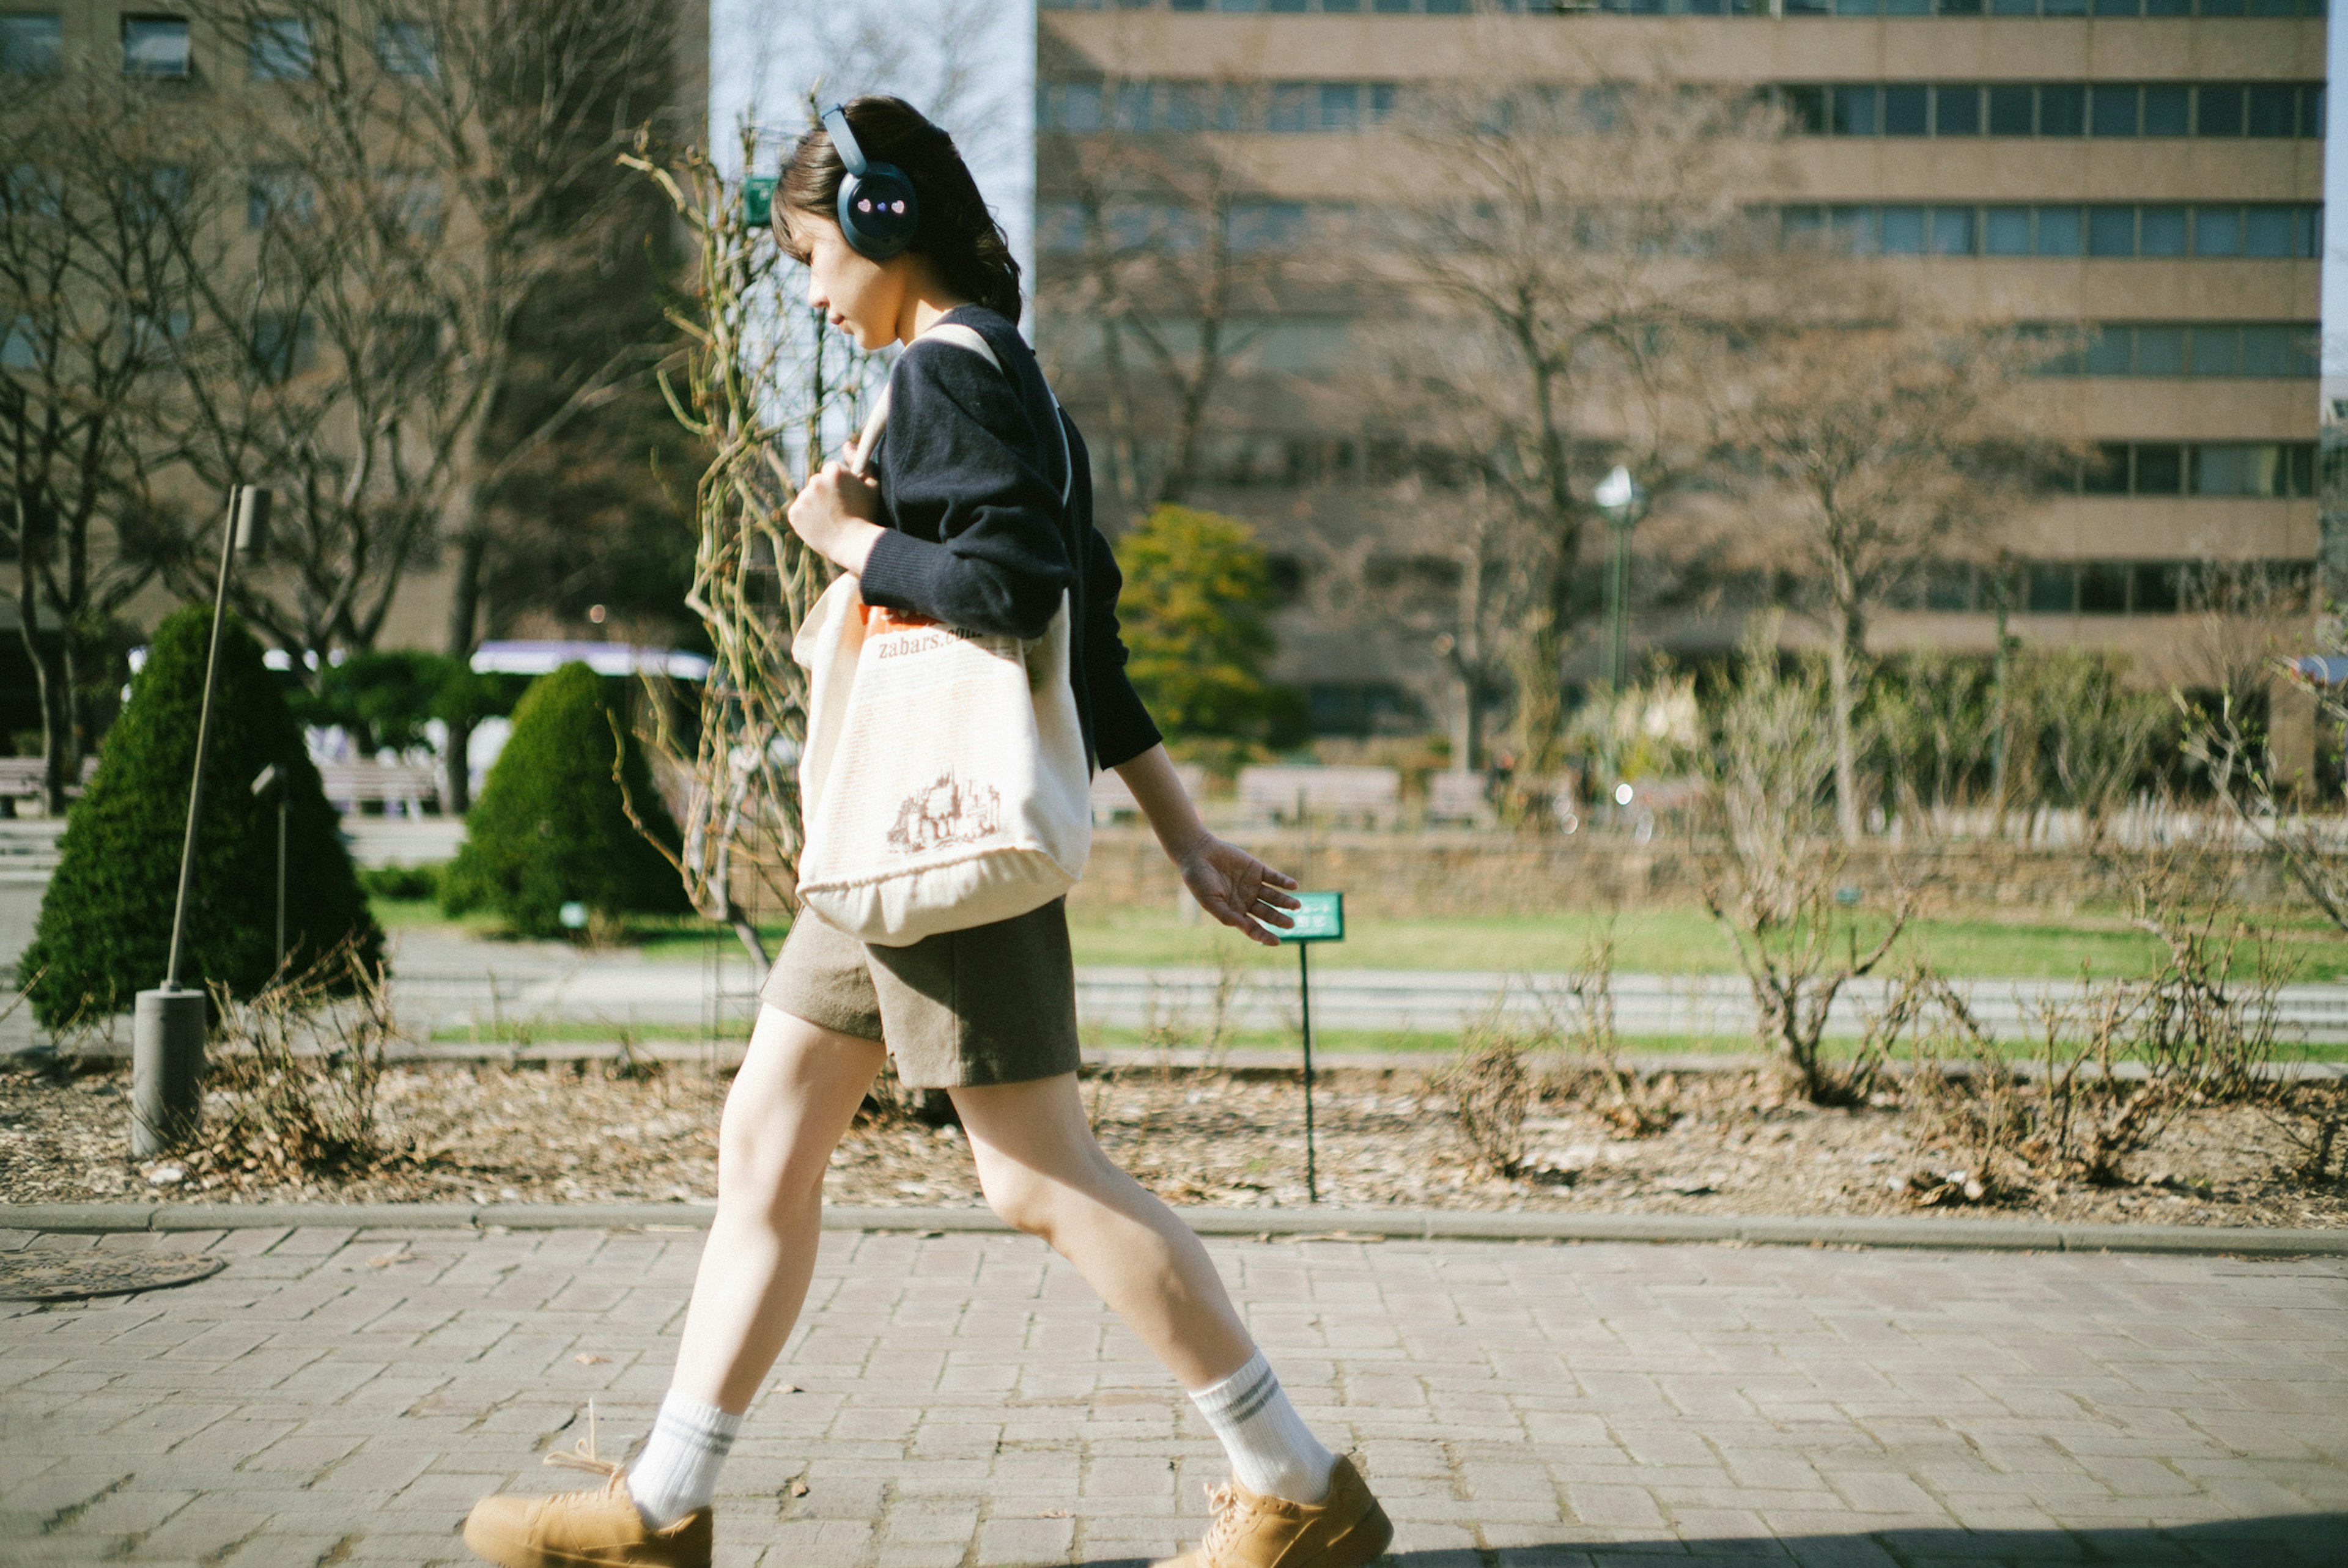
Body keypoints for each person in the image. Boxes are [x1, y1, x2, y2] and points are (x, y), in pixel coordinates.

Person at [460, 95, 1393, 1568]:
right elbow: (1087, 658)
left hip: (937, 842)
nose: (815, 295)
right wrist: (1187, 837)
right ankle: (658, 1507)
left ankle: (1295, 1481)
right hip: (884, 846)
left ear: (886, 230)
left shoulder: (950, 378)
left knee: (1038, 1175)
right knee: (765, 1138)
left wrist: (845, 541)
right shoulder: (1012, 385)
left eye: (815, 258)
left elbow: (1018, 595)